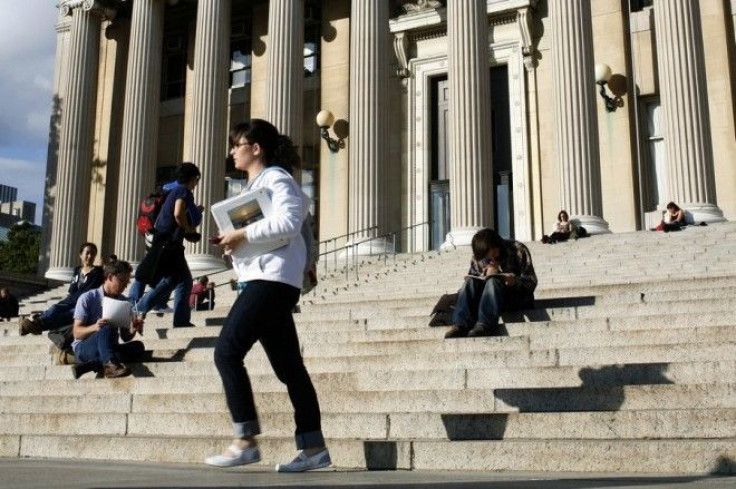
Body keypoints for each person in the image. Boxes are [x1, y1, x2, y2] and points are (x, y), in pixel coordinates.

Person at [205, 119, 330, 472]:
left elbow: (291, 223)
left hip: (272, 281)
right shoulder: (256, 187)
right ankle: (314, 447)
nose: (232, 151)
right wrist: (235, 245)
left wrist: (242, 234)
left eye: (237, 144)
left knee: (227, 352)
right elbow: (271, 234)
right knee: (290, 368)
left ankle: (245, 440)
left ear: (255, 148)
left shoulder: (277, 178)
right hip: (263, 278)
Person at [131, 162, 202, 327]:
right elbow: (178, 213)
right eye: (197, 179)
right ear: (192, 178)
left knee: (184, 280)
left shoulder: (174, 190)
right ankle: (140, 307)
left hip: (164, 240)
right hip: (170, 243)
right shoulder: (184, 191)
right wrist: (190, 230)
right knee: (172, 280)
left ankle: (181, 320)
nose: (197, 183)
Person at [445, 228, 537, 338]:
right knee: (470, 282)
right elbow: (474, 280)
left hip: (516, 297)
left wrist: (514, 281)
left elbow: (532, 281)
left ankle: (484, 325)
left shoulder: (518, 250)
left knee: (494, 281)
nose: (491, 258)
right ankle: (460, 324)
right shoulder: (479, 257)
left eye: (493, 253)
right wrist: (484, 274)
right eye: (487, 257)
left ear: (497, 244)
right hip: (489, 300)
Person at [71, 259, 144, 379]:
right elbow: (77, 333)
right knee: (106, 328)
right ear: (110, 277)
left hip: (109, 347)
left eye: (127, 282)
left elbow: (125, 337)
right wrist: (95, 327)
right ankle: (110, 366)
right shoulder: (87, 298)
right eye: (122, 281)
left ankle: (91, 365)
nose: (125, 286)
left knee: (138, 347)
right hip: (85, 348)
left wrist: (133, 329)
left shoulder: (124, 302)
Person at [19, 242, 104, 336]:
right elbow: (73, 289)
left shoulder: (97, 272)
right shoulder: (77, 270)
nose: (90, 256)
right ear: (80, 254)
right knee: (55, 308)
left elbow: (87, 290)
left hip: (85, 303)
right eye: (87, 253)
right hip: (72, 300)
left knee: (69, 314)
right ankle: (37, 323)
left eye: (93, 254)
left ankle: (37, 325)